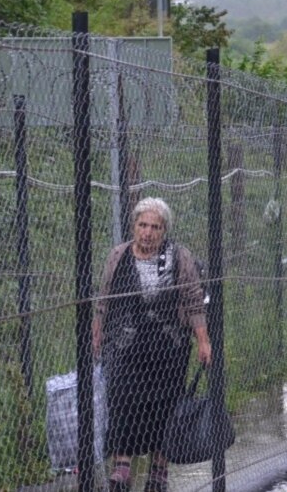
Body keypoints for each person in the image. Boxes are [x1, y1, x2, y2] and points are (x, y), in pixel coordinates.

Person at [93, 197, 211, 492]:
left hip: (167, 346)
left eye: (155, 227)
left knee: (165, 408)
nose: (147, 232)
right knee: (121, 401)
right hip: (125, 345)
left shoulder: (178, 256)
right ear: (133, 225)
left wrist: (203, 340)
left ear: (164, 230)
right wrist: (96, 333)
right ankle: (122, 470)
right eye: (142, 225)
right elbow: (103, 299)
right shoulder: (118, 256)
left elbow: (194, 299)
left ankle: (159, 473)